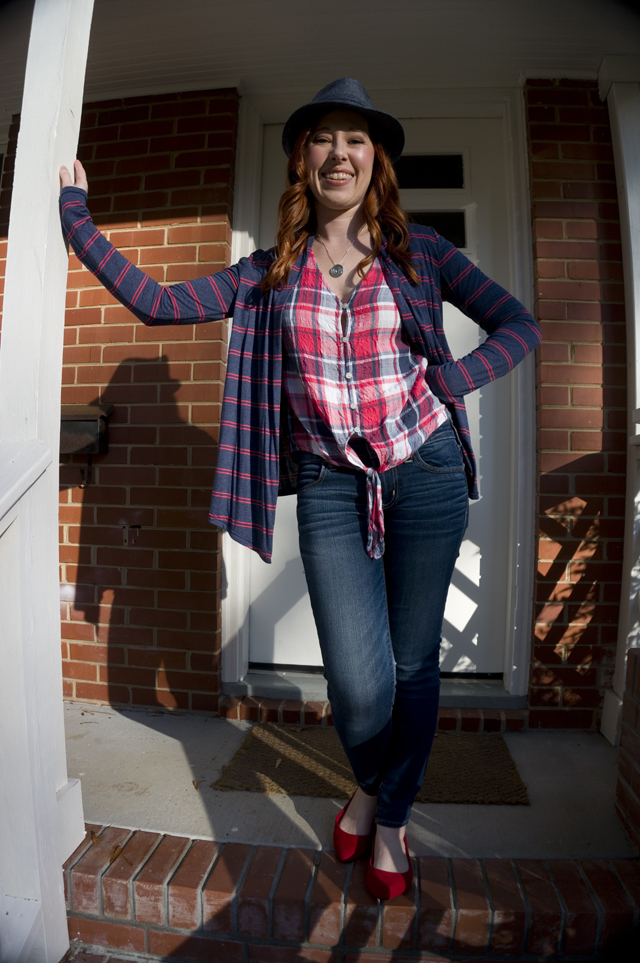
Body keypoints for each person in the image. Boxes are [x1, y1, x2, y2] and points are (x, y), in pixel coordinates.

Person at [60, 78, 540, 900]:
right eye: (324, 138)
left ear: (375, 159)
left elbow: (519, 325)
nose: (340, 152)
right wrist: (79, 221)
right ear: (303, 160)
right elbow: (159, 303)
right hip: (328, 485)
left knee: (416, 662)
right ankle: (370, 782)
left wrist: (449, 383)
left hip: (423, 475)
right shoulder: (269, 272)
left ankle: (386, 818)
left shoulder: (421, 253)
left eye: (356, 138)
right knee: (359, 679)